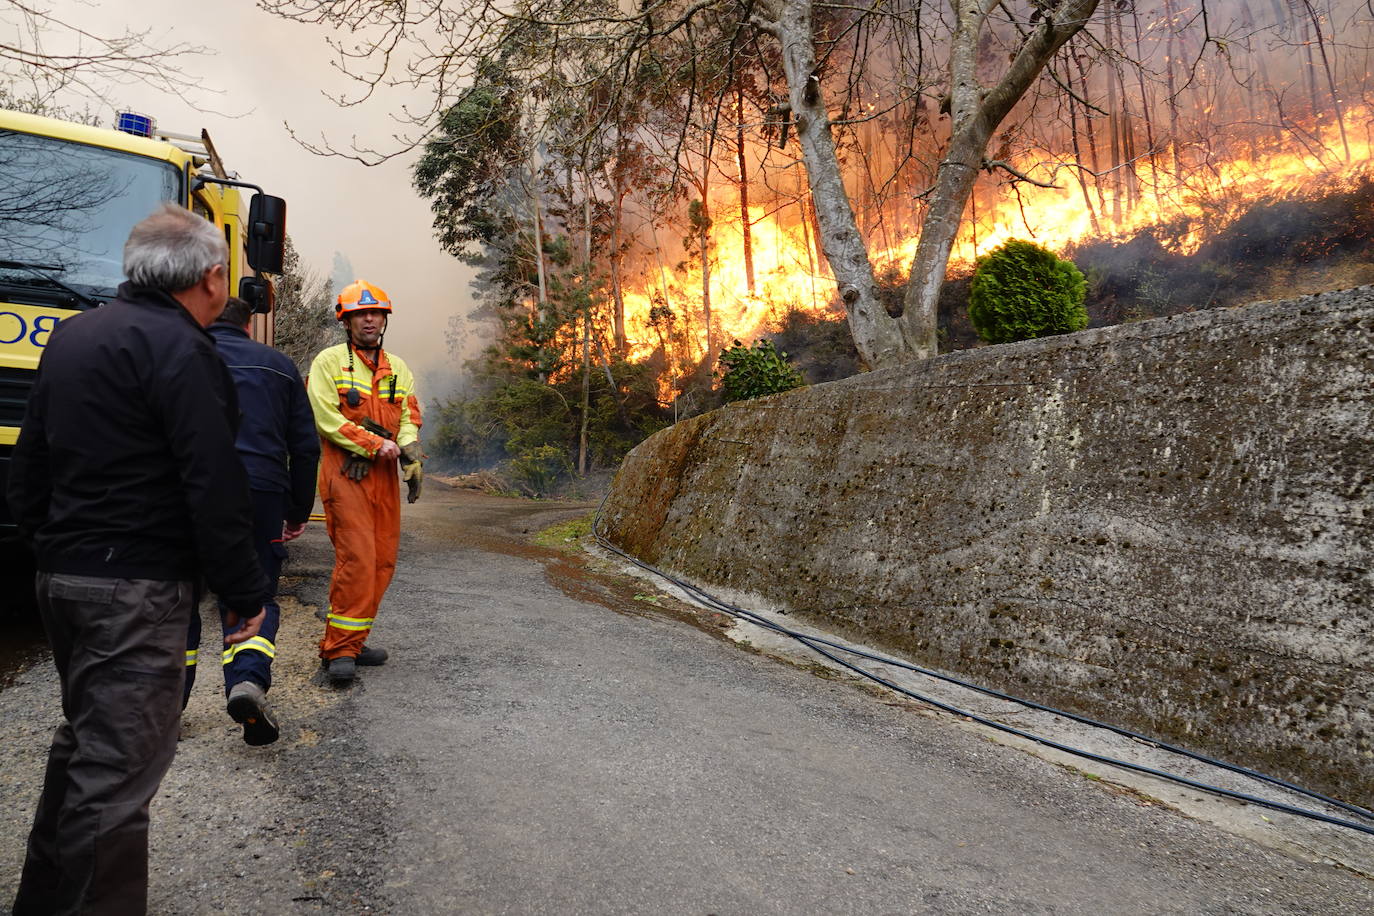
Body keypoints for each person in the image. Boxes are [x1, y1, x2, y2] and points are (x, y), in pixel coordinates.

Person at [7, 204, 268, 915]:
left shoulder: (71, 337)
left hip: (64, 579)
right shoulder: (185, 352)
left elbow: (29, 469)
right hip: (136, 588)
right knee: (117, 779)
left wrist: (54, 545)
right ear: (213, 278)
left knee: (84, 749)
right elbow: (213, 482)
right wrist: (245, 591)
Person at [181, 296, 320, 745]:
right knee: (252, 594)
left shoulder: (178, 355)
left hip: (189, 487)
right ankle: (247, 682)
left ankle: (165, 708)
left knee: (178, 597)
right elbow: (305, 448)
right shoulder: (278, 366)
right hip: (260, 491)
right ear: (248, 325)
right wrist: (297, 511)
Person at [307, 279, 423, 686]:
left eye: (376, 313)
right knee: (356, 560)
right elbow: (326, 419)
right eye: (361, 313)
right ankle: (338, 650)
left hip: (383, 479)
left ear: (384, 319)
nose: (370, 319)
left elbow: (407, 417)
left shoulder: (399, 368)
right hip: (346, 475)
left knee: (381, 562)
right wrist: (375, 444)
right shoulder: (329, 363)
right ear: (347, 320)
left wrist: (409, 452)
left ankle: (355, 641)